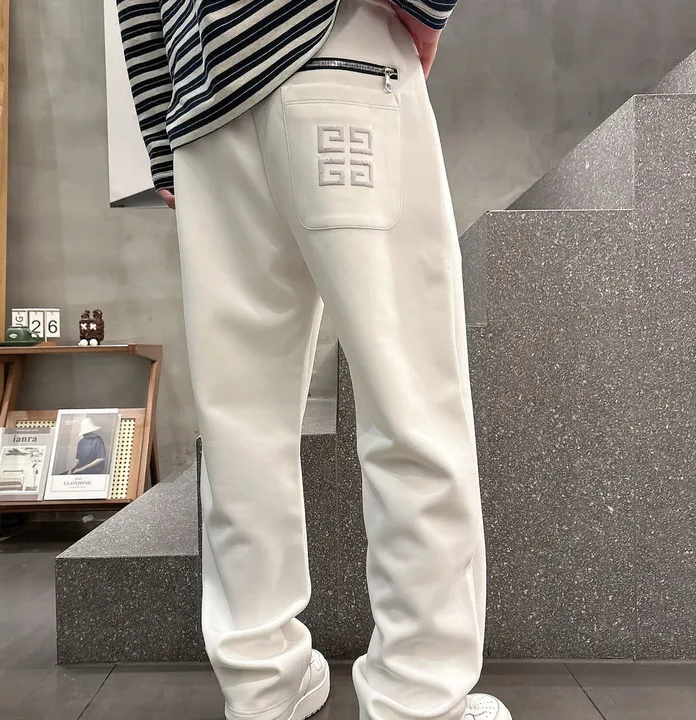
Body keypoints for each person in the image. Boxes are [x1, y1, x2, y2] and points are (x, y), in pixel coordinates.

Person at [116, 1, 512, 719]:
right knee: (408, 400)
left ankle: (263, 690)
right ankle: (419, 698)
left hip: (203, 98)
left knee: (242, 427)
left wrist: (162, 129)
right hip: (329, 40)